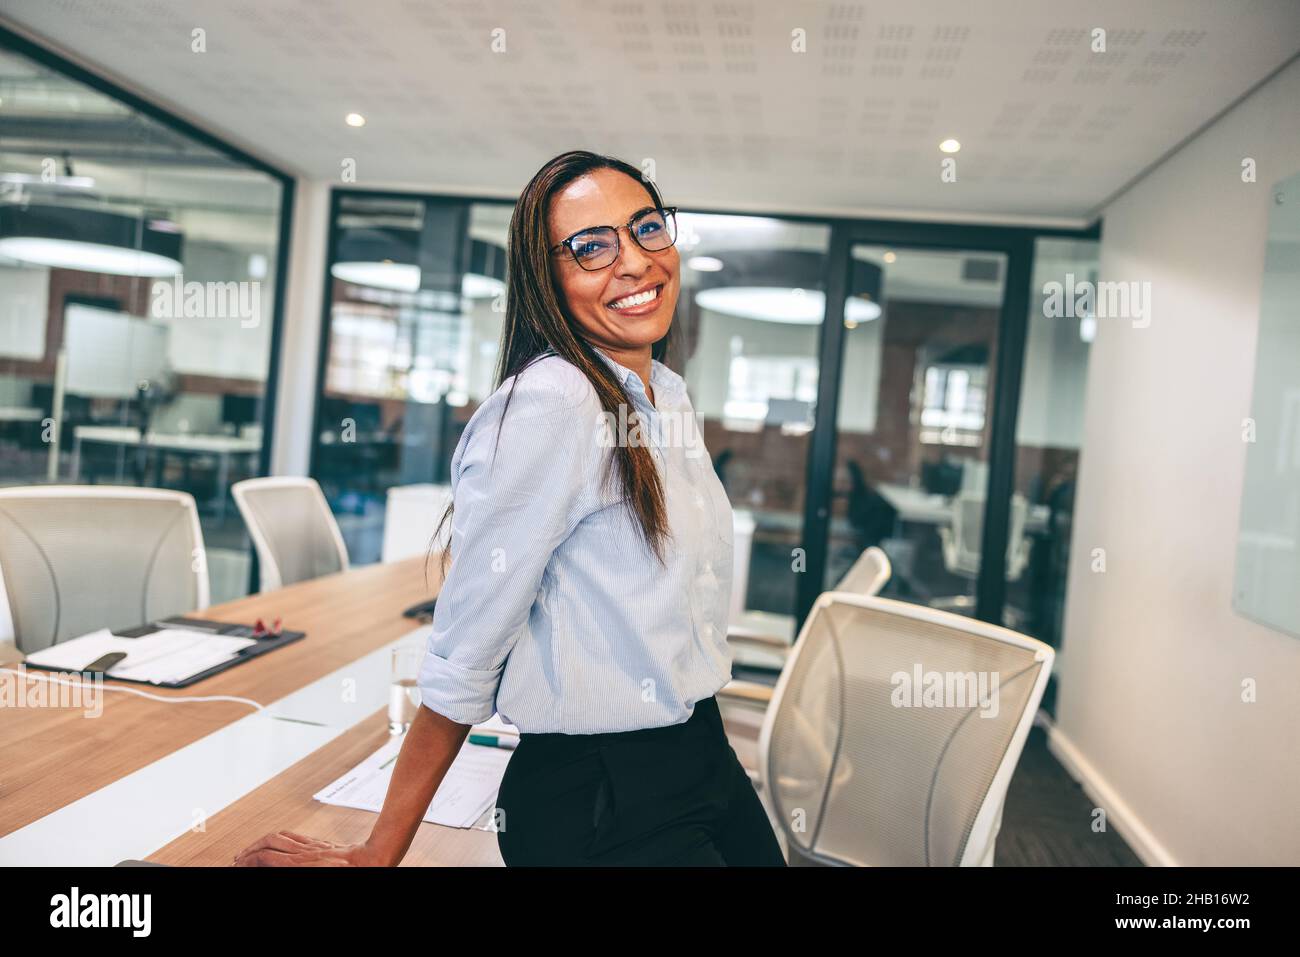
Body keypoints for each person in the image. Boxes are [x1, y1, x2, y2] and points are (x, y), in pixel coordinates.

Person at [235, 150, 786, 867]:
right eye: (590, 247)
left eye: (646, 228)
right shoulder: (552, 402)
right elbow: (465, 652)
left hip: (700, 757)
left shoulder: (666, 397)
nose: (633, 262)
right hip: (603, 795)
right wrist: (380, 851)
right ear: (547, 278)